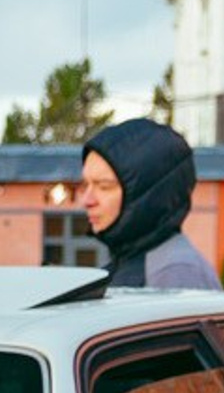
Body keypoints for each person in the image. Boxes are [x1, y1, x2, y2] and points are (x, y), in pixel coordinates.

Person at [80, 119, 221, 291]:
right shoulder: (127, 262)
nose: (87, 200)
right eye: (85, 184)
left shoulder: (175, 271)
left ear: (148, 195)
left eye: (104, 186)